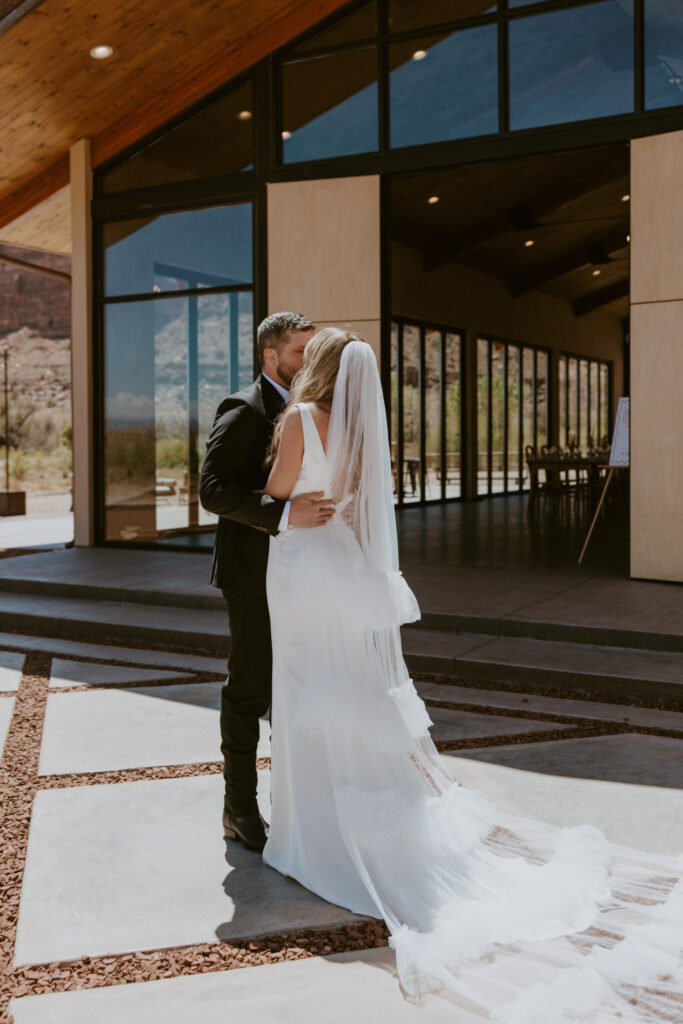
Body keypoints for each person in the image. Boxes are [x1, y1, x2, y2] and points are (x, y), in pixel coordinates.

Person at [261, 327, 683, 1021]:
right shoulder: (364, 428)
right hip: (343, 563)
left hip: (303, 562)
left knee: (304, 684)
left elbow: (280, 490)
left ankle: (310, 835)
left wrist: (281, 492)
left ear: (320, 369)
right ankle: (341, 814)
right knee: (348, 691)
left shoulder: (302, 419)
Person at [199, 312, 336, 854]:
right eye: (299, 351)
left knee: (296, 687)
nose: (308, 360)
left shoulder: (316, 412)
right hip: (253, 575)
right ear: (270, 356)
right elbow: (213, 491)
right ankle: (239, 808)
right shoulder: (243, 408)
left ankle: (294, 799)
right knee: (250, 688)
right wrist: (282, 514)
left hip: (304, 573)